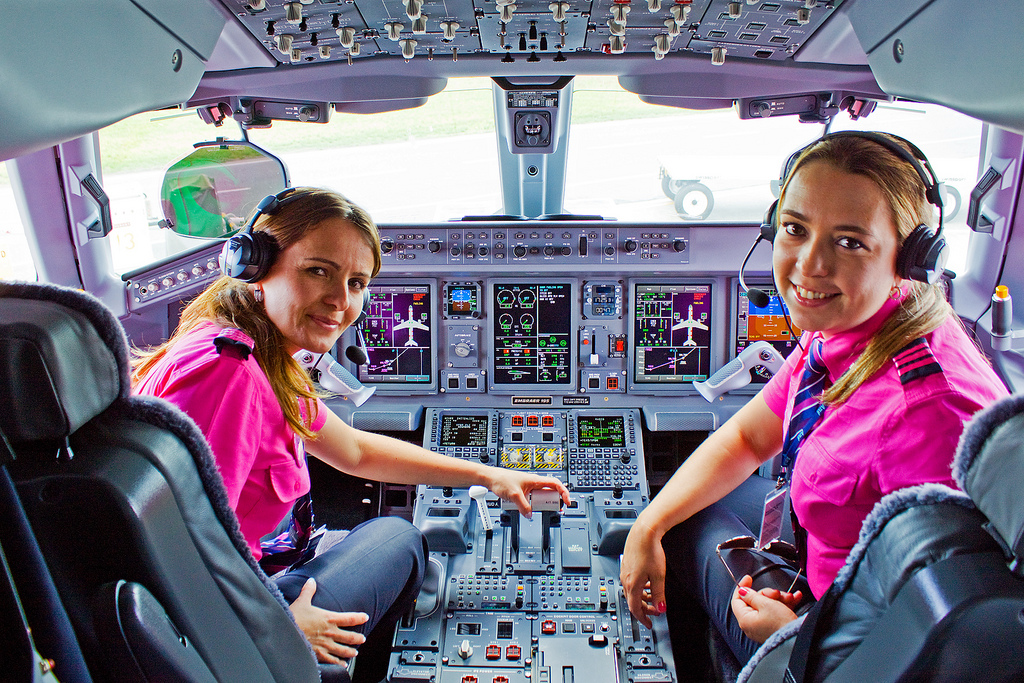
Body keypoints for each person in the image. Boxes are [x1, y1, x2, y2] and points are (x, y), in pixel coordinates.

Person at [132, 187, 570, 678]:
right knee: (401, 540)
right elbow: (180, 549)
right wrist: (278, 624)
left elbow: (354, 451)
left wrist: (488, 474)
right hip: (227, 617)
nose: (341, 301)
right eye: (318, 271)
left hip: (248, 580)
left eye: (357, 282)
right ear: (255, 268)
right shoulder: (228, 373)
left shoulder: (254, 353)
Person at [619, 132, 1008, 679]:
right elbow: (749, 438)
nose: (809, 265)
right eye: (795, 229)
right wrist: (646, 526)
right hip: (822, 581)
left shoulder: (931, 416)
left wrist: (798, 639)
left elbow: (949, 636)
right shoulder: (851, 324)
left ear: (910, 257)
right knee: (679, 510)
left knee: (686, 527)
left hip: (840, 649)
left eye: (849, 242)